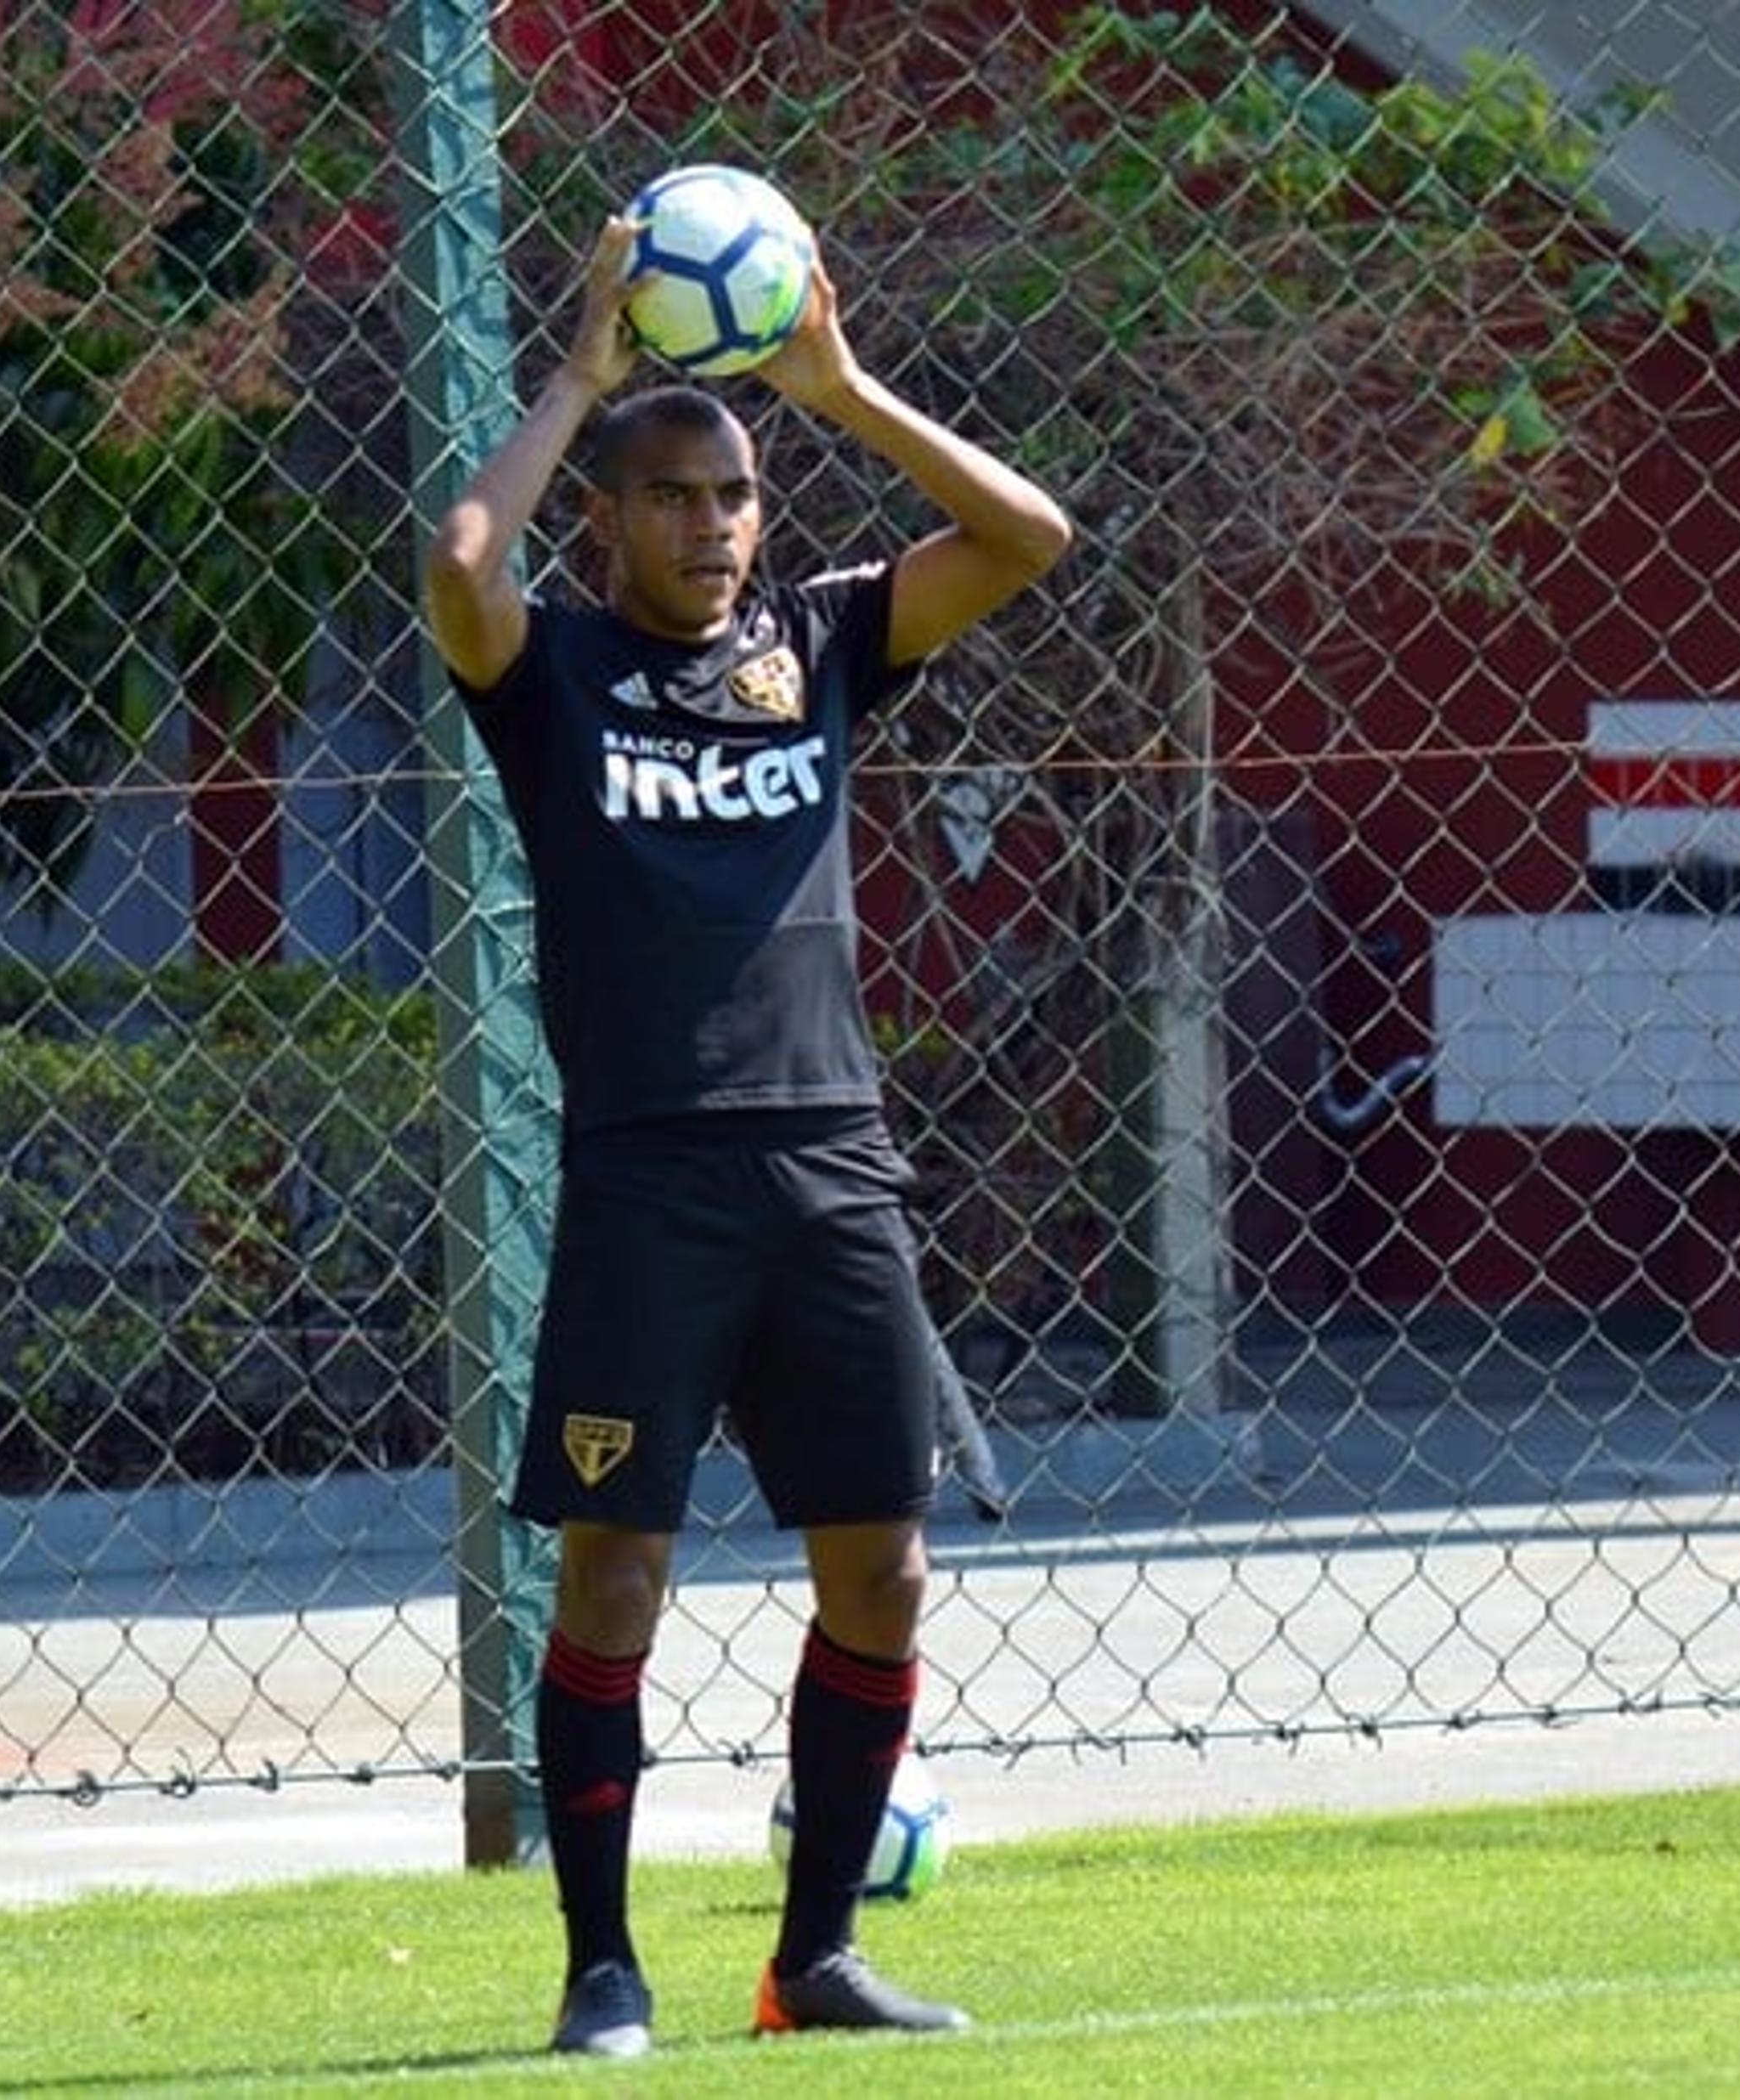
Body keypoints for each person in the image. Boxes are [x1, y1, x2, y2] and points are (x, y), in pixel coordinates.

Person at [421, 212, 1072, 2058]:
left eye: (738, 495)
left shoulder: (823, 643)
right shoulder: (551, 675)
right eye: (677, 495)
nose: (715, 526)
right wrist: (575, 376)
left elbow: (1030, 539)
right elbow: (459, 563)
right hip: (651, 1179)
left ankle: (815, 1964)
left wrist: (838, 386)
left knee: (884, 1569)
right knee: (615, 1572)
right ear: (607, 521)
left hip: (835, 1170)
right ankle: (603, 1968)